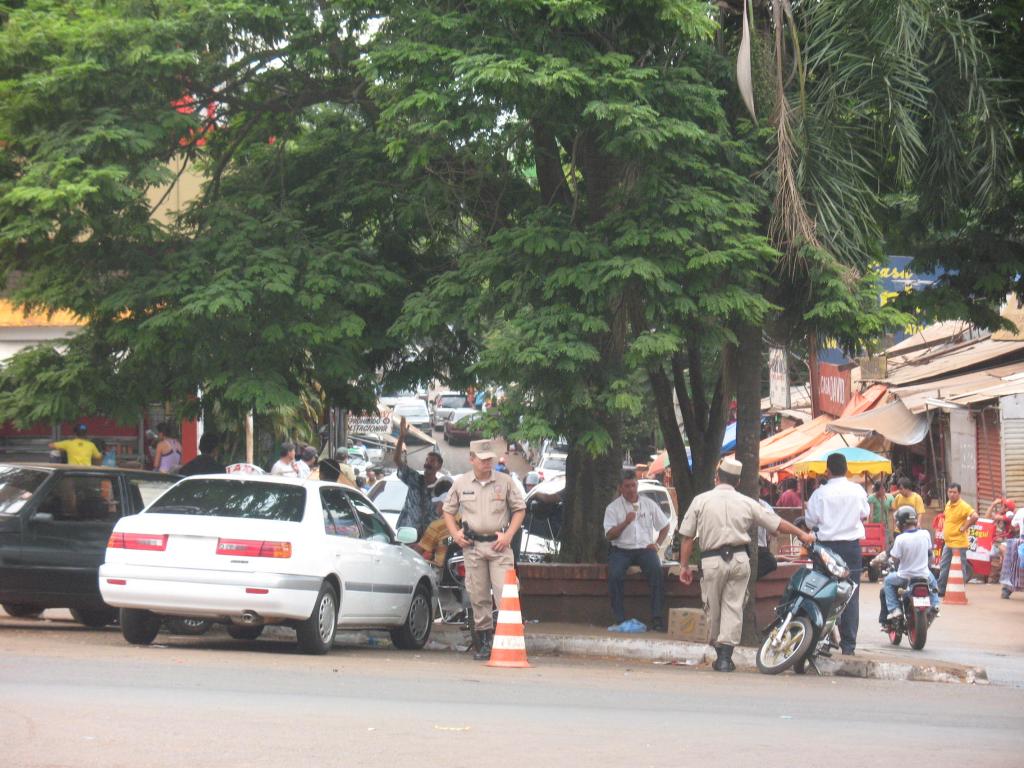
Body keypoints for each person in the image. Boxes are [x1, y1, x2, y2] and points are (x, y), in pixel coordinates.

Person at [679, 458, 814, 672]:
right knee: (733, 606)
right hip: (739, 559)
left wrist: (684, 566)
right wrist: (802, 534)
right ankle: (725, 658)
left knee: (713, 606)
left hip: (712, 561)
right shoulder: (747, 502)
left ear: (717, 478)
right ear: (738, 481)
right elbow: (777, 523)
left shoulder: (700, 500)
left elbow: (687, 538)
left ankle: (720, 653)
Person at [442, 439, 526, 660]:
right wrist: (456, 534)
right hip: (473, 546)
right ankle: (485, 643)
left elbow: (520, 510)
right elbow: (447, 511)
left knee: (506, 593)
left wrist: (508, 535)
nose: (487, 463)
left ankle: (510, 639)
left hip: (499, 545)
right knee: (478, 596)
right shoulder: (461, 483)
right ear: (472, 459)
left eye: (490, 459)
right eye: (483, 459)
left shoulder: (505, 481)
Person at [804, 452, 869, 655]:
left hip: (825, 549)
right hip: (851, 549)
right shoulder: (857, 490)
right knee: (850, 595)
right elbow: (865, 513)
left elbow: (810, 522)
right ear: (847, 469)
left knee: (823, 593)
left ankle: (821, 641)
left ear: (828, 471)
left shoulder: (819, 494)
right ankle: (848, 645)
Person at [604, 470, 670, 632]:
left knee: (656, 571)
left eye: (633, 485)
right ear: (620, 488)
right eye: (627, 486)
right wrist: (625, 522)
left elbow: (665, 526)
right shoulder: (613, 508)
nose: (631, 490)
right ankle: (620, 619)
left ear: (637, 485)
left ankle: (657, 619)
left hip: (644, 549)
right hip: (621, 549)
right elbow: (609, 535)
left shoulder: (648, 504)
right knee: (614, 575)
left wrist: (657, 544)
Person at [880, 506, 940, 622]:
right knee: (933, 583)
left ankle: (895, 609)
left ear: (900, 523)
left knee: (887, 581)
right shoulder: (925, 534)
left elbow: (895, 558)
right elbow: (929, 552)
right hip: (924, 574)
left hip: (904, 576)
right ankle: (935, 604)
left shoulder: (900, 539)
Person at [394, 417, 444, 534]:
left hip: (429, 537)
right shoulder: (415, 478)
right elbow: (397, 460)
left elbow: (443, 512)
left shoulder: (441, 488)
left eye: (432, 461)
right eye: (427, 460)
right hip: (408, 533)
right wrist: (401, 437)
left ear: (439, 466)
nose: (427, 463)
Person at [937, 482, 978, 595]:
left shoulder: (964, 506)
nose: (952, 494)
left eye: (954, 492)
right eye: (950, 492)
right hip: (948, 542)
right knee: (944, 566)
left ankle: (959, 591)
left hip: (958, 543)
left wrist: (964, 527)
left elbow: (975, 516)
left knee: (959, 568)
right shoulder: (948, 504)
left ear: (959, 493)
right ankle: (941, 590)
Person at [413, 479, 456, 566]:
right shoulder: (464, 519)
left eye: (436, 504)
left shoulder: (437, 526)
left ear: (443, 503)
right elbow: (454, 539)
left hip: (442, 569)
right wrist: (440, 544)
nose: (435, 508)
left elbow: (418, 551)